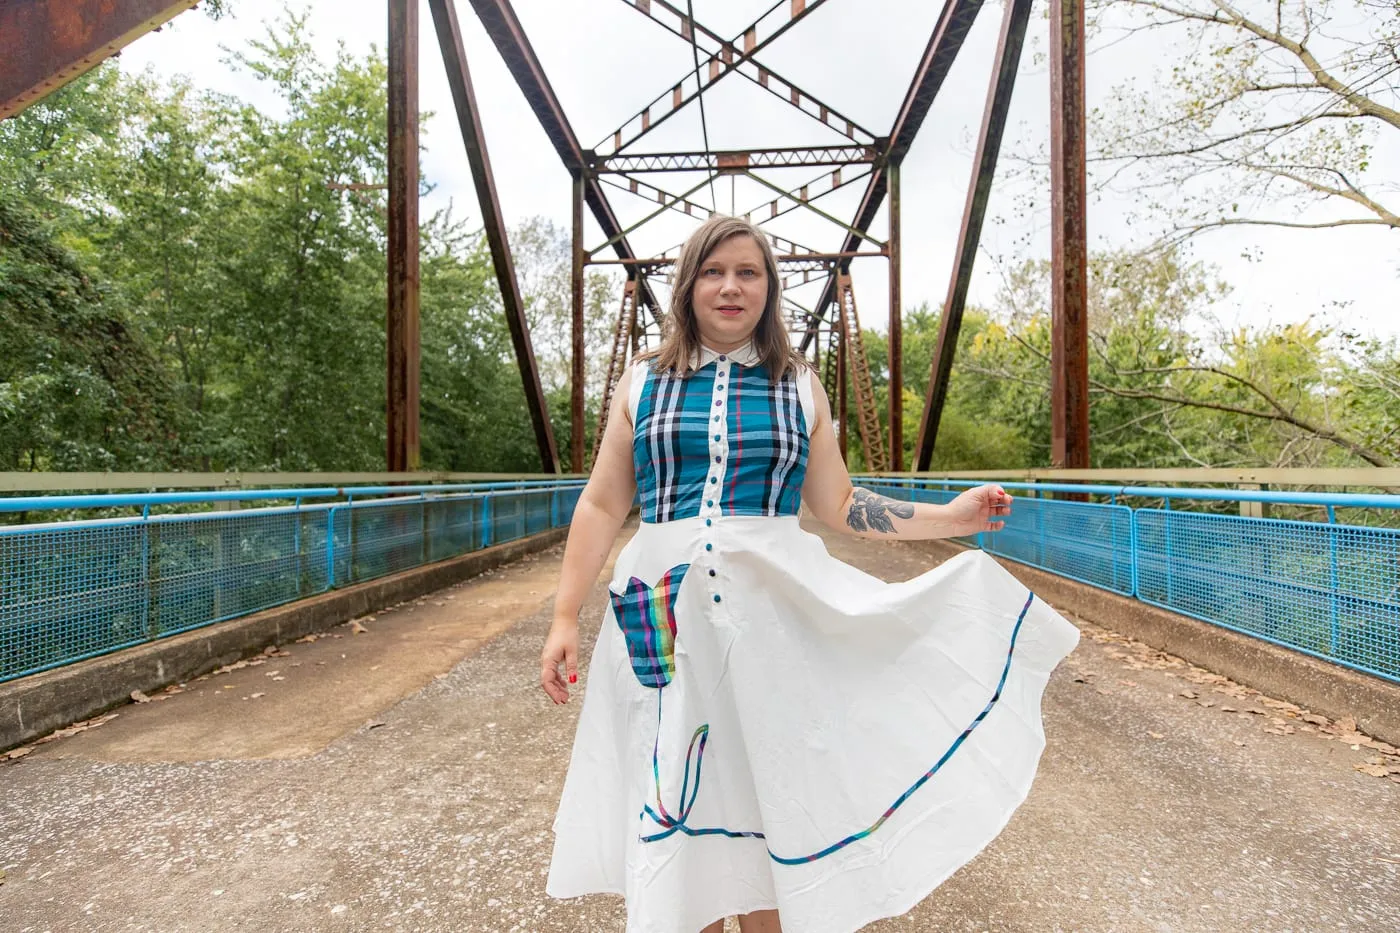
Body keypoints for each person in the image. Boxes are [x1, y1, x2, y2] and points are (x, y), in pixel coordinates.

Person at [540, 215, 1079, 933]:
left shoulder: (799, 385)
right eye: (714, 271)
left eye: (749, 273)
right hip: (665, 619)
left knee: (769, 802)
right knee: (678, 798)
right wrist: (562, 616)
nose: (731, 287)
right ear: (688, 284)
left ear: (769, 289)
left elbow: (842, 504)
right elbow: (604, 501)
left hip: (774, 624)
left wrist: (951, 518)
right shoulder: (642, 382)